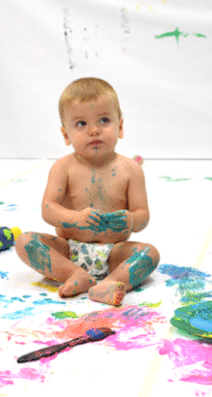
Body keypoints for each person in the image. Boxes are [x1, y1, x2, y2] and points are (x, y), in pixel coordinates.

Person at [15, 77, 159, 306]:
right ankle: (73, 274)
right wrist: (76, 218)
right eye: (81, 124)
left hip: (114, 253)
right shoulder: (63, 167)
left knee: (150, 254)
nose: (94, 131)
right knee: (25, 242)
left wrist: (131, 220)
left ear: (120, 127)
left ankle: (110, 283)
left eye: (104, 120)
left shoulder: (130, 170)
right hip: (68, 249)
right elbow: (48, 209)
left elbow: (143, 216)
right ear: (65, 135)